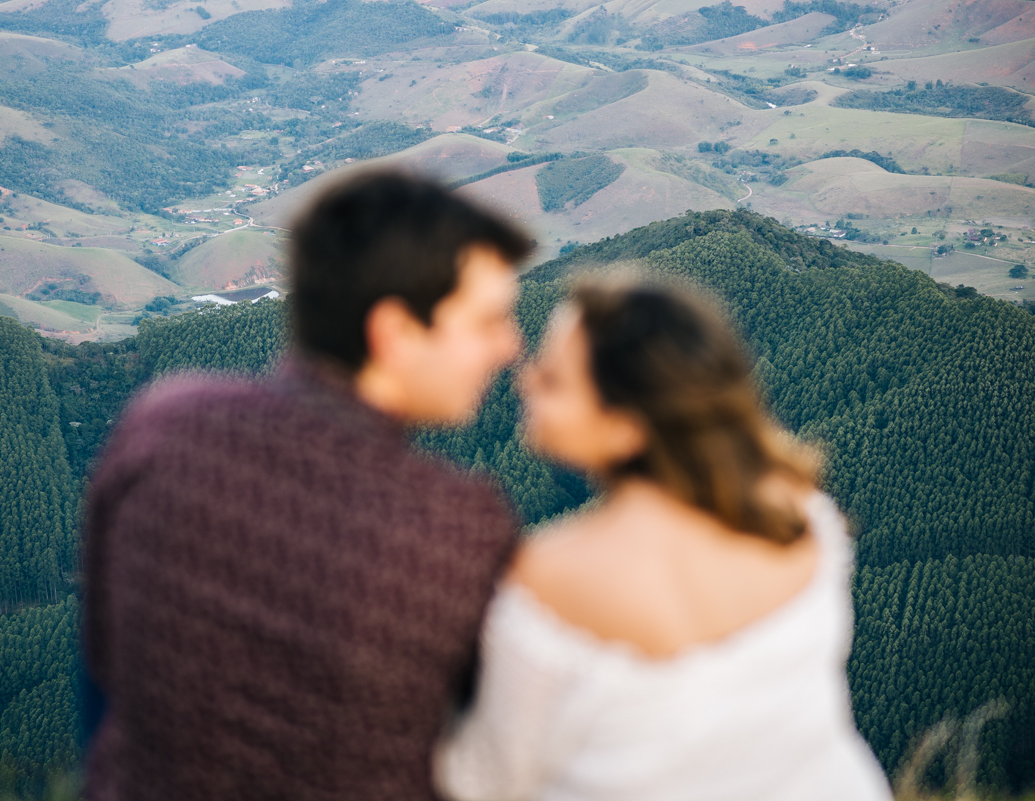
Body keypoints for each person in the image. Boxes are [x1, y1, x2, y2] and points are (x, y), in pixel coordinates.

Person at [81, 172, 532, 801]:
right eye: (487, 322)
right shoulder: (457, 524)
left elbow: (103, 675)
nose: (509, 346)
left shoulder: (163, 425)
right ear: (394, 333)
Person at [434, 278, 893, 801]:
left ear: (627, 427)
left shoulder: (553, 573)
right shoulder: (798, 512)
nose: (525, 379)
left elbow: (486, 782)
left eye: (555, 380)